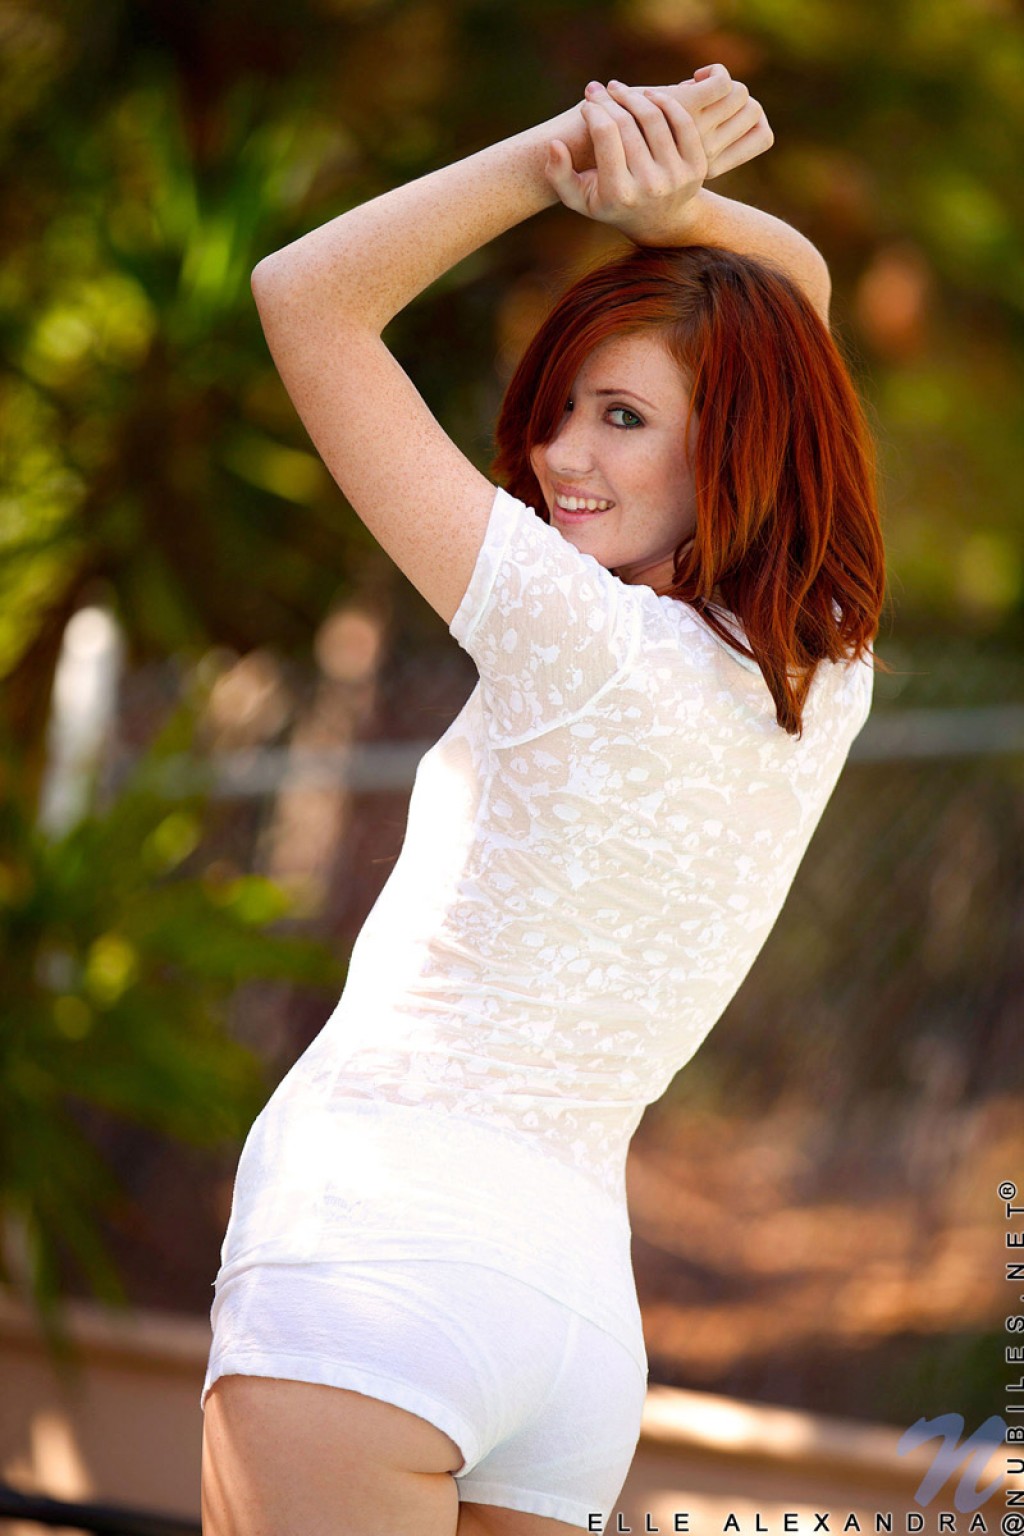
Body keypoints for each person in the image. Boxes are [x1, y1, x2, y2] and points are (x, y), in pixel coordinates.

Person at [200, 68, 886, 1536]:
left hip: (375, 1254)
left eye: (622, 417)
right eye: (564, 408)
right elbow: (799, 300)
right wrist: (679, 208)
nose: (561, 457)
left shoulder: (573, 631)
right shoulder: (825, 676)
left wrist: (567, 157)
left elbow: (302, 296)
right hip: (575, 1331)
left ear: (742, 437)